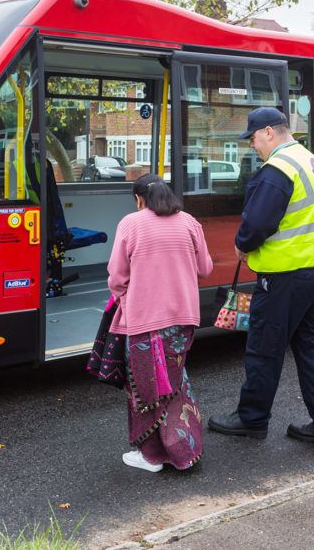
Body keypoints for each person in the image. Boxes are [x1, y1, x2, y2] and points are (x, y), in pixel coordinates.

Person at [207, 107, 314, 450]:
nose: (253, 145)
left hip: (289, 274)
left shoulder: (278, 169)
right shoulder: (312, 161)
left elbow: (256, 224)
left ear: (269, 132)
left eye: (254, 138)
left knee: (264, 347)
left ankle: (252, 419)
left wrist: (242, 245)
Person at [107, 173, 214, 472]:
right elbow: (205, 268)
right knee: (173, 381)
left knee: (145, 386)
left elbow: (116, 277)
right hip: (183, 320)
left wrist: (124, 299)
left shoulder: (131, 223)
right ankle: (183, 447)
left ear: (140, 199)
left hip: (143, 321)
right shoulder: (190, 222)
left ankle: (152, 455)